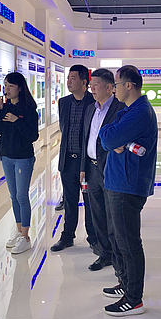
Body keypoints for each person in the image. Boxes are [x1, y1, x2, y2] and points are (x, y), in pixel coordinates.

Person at [99, 65, 158, 316]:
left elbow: (107, 139)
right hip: (117, 181)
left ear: (129, 85)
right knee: (118, 238)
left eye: (116, 85)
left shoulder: (140, 112)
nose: (114, 89)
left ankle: (134, 298)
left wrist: (114, 140)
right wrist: (113, 139)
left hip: (127, 185)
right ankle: (125, 283)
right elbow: (106, 133)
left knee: (128, 242)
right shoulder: (128, 110)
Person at [80, 68, 126, 271]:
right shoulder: (91, 108)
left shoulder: (121, 108)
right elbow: (86, 139)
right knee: (97, 213)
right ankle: (104, 254)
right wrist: (83, 167)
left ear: (109, 87)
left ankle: (118, 258)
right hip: (91, 169)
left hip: (110, 169)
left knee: (113, 215)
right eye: (91, 85)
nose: (92, 88)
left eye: (95, 85)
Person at [0, 72, 39, 254]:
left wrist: (16, 120)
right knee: (13, 196)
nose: (7, 89)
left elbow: (32, 135)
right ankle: (19, 232)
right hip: (6, 156)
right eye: (5, 85)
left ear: (20, 88)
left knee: (22, 196)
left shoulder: (29, 110)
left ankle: (25, 237)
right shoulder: (4, 108)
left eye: (10, 85)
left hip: (23, 158)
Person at [51, 65, 96, 252]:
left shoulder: (94, 102)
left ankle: (94, 238)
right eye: (68, 78)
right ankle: (67, 236)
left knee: (90, 201)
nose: (69, 81)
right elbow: (64, 129)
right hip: (68, 160)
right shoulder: (64, 103)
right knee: (69, 201)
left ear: (84, 82)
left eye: (73, 78)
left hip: (86, 164)